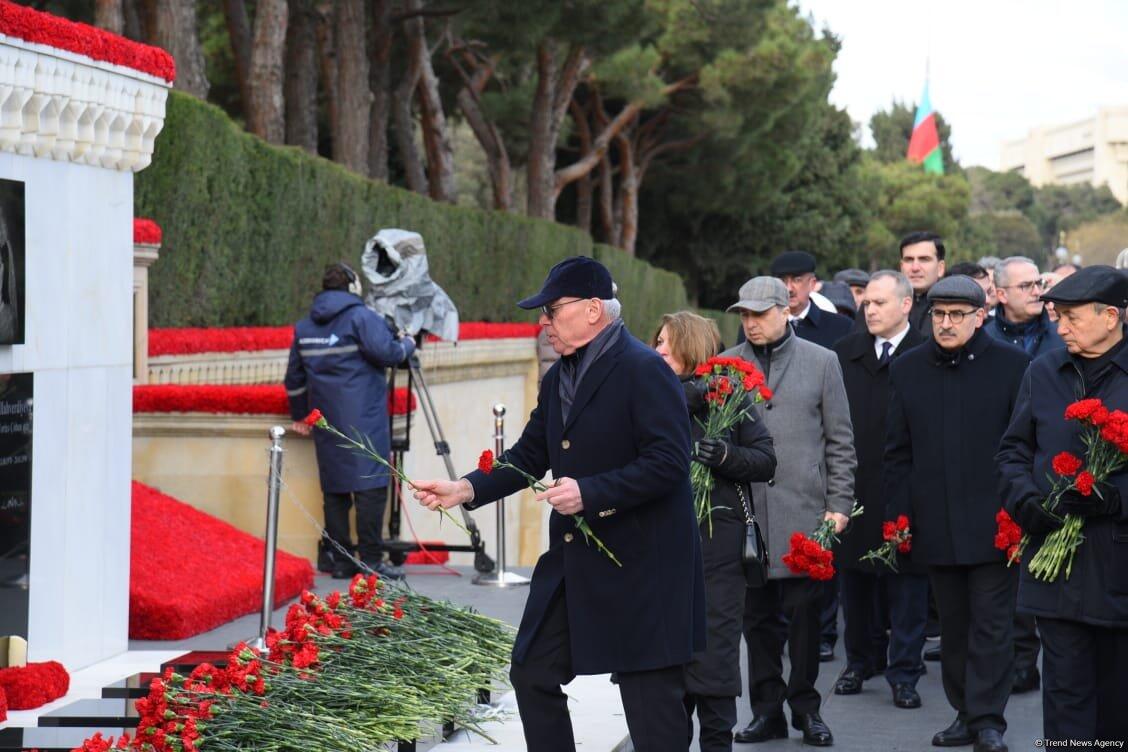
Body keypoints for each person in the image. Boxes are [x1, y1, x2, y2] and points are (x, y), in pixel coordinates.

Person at [413, 256, 705, 752]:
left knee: (653, 716)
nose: (543, 322)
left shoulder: (644, 369)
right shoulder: (558, 378)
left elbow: (669, 463)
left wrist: (591, 492)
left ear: (594, 310)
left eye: (552, 310)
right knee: (531, 674)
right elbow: (530, 454)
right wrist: (464, 488)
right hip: (575, 565)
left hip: (641, 571)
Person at [884, 276, 1030, 752]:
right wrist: (900, 518)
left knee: (991, 625)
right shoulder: (907, 370)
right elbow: (897, 453)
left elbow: (1024, 447)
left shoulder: (1012, 367)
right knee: (952, 626)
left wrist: (1018, 511)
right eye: (939, 315)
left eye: (956, 315)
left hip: (995, 522)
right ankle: (965, 713)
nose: (945, 324)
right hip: (934, 522)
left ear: (979, 315)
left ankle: (989, 721)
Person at [997, 265, 1128, 743]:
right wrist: (1025, 500)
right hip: (1055, 571)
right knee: (1066, 702)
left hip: (1118, 569)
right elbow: (1013, 450)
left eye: (1071, 316)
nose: (1060, 326)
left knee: (1117, 711)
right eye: (1057, 316)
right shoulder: (1045, 371)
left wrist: (1113, 497)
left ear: (1111, 316)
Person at [723, 277, 855, 747]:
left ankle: (806, 710)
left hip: (805, 513)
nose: (752, 323)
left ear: (785, 310)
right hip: (746, 516)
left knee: (804, 622)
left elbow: (841, 440)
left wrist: (838, 505)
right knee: (756, 622)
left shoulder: (823, 362)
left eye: (760, 313)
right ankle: (766, 712)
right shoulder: (726, 367)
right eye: (745, 314)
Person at [654, 311, 777, 752]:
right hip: (661, 548)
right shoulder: (648, 398)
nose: (658, 349)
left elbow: (765, 460)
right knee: (666, 667)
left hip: (718, 549)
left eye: (667, 342)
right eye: (657, 342)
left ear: (691, 346)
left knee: (716, 660)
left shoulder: (728, 396)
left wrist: (724, 455)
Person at [831, 271, 929, 709]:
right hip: (855, 482)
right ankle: (859, 661)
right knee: (854, 580)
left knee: (906, 584)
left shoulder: (924, 354)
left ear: (905, 305)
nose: (869, 310)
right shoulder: (846, 353)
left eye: (880, 303)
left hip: (908, 484)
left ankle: (904, 672)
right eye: (866, 303)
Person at [285, 262, 415, 580]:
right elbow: (388, 353)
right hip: (365, 419)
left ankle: (342, 560)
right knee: (371, 485)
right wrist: (408, 343)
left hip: (326, 421)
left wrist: (301, 414)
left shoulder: (304, 328)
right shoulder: (362, 318)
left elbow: (294, 380)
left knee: (335, 489)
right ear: (352, 287)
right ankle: (371, 561)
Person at [983, 256, 1064, 359]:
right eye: (1025, 286)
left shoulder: (1063, 336)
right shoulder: (984, 341)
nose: (1037, 292)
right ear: (1002, 295)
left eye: (1039, 283)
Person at [771, 251, 854, 349]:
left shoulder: (841, 327)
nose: (789, 289)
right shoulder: (765, 326)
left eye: (797, 280)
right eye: (783, 281)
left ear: (812, 284)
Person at [899, 231, 947, 335]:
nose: (915, 268)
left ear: (940, 268)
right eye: (909, 260)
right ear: (901, 266)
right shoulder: (884, 304)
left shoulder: (952, 306)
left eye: (924, 259)